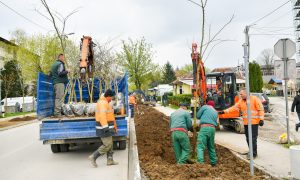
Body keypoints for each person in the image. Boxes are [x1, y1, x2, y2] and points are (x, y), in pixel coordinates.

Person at [219, 88, 264, 159]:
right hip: (246, 123)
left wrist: (261, 119)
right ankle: (251, 151)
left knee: (253, 138)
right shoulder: (241, 101)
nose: (240, 95)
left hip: (254, 123)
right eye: (240, 94)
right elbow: (234, 108)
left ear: (246, 93)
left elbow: (260, 109)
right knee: (248, 138)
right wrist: (224, 111)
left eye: (241, 94)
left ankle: (253, 154)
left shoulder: (255, 99)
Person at [88, 89, 118, 167]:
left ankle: (110, 160)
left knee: (110, 144)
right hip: (104, 128)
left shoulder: (105, 102)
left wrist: (114, 127)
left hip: (108, 127)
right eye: (111, 97)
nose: (111, 99)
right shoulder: (102, 103)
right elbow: (102, 116)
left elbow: (110, 116)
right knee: (107, 144)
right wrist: (106, 128)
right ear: (108, 96)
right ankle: (93, 156)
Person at [196, 100, 218, 166]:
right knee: (211, 147)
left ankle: (200, 163)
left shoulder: (205, 107)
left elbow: (198, 116)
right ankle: (214, 163)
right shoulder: (215, 111)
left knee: (200, 146)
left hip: (204, 128)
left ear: (207, 104)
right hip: (212, 129)